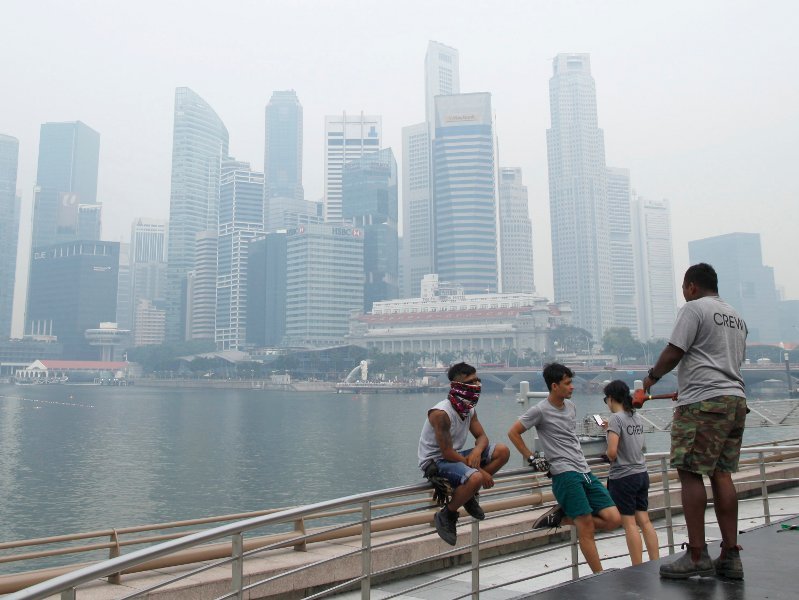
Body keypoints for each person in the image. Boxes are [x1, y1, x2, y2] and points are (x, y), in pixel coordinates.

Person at [643, 262, 747, 580]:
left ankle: (697, 554)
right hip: (735, 401)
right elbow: (719, 362)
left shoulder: (694, 309)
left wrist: (650, 380)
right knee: (722, 474)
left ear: (691, 286)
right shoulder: (737, 318)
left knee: (690, 472)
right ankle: (730, 556)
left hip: (703, 404)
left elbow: (675, 351)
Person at [508, 363, 621, 573]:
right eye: (567, 383)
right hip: (564, 472)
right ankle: (599, 575)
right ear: (554, 386)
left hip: (584, 470)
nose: (572, 387)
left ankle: (563, 516)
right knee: (586, 527)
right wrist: (531, 458)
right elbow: (513, 432)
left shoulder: (571, 407)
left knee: (614, 518)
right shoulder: (539, 410)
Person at [418, 362, 510, 546]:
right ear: (458, 385)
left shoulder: (468, 408)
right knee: (475, 478)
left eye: (478, 380)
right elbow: (446, 452)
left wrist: (477, 451)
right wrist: (481, 472)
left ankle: (468, 495)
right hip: (435, 461)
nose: (477, 385)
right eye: (471, 381)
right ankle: (447, 514)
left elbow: (482, 436)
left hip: (455, 456)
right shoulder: (441, 414)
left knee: (502, 451)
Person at [602, 379, 660, 565]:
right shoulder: (635, 416)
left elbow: (612, 453)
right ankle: (655, 561)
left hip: (624, 477)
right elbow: (640, 445)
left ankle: (637, 566)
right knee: (644, 520)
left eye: (606, 400)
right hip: (641, 473)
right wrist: (609, 429)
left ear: (611, 399)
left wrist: (606, 449)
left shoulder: (615, 419)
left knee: (629, 523)